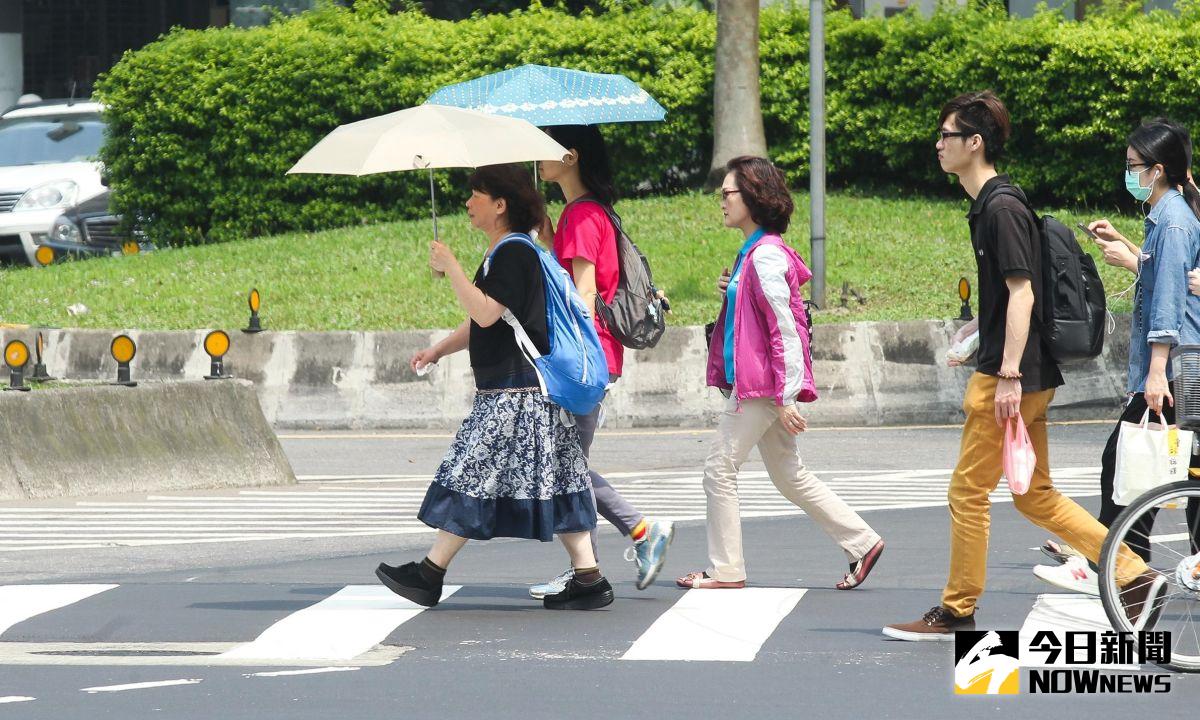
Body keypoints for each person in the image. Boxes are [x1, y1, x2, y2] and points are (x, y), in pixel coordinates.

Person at [883, 92, 1163, 641]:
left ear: (974, 143)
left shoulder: (1001, 207)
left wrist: (1007, 373)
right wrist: (980, 332)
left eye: (946, 135)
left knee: (967, 493)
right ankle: (1132, 573)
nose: (938, 145)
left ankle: (958, 608)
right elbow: (1008, 296)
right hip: (1026, 374)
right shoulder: (992, 203)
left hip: (1010, 379)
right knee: (1035, 495)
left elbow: (1022, 292)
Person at [375, 163, 613, 611]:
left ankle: (429, 574)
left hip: (515, 395)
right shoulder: (511, 252)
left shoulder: (513, 253)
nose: (468, 203)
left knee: (471, 473)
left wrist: (452, 269)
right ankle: (589, 577)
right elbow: (488, 320)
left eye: (476, 194)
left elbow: (485, 313)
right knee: (560, 477)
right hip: (527, 393)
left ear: (500, 204)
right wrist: (439, 350)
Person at [674, 155, 885, 591]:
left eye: (728, 193)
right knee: (789, 473)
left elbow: (784, 330)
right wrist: (732, 288)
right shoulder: (755, 252)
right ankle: (862, 542)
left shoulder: (766, 256)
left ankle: (726, 570)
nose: (722, 201)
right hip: (765, 385)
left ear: (752, 197)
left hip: (761, 387)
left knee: (719, 468)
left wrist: (787, 396)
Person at [1034, 119, 1200, 594]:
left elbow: (1168, 301)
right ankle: (1127, 570)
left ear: (1158, 170)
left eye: (1133, 167)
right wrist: (1129, 248)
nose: (1128, 174)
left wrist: (1153, 374)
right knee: (1157, 470)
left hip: (1174, 368)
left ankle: (1112, 567)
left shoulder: (1170, 220)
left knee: (1123, 464)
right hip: (1183, 366)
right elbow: (1162, 270)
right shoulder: (1170, 215)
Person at [527, 124, 674, 598]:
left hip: (589, 358)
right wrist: (551, 240)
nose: (538, 157)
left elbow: (585, 296)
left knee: (564, 463)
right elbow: (580, 280)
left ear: (571, 156)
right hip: (598, 357)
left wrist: (575, 362)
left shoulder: (583, 215)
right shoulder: (584, 213)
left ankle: (630, 538)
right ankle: (594, 562)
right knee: (567, 462)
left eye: (545, 148)